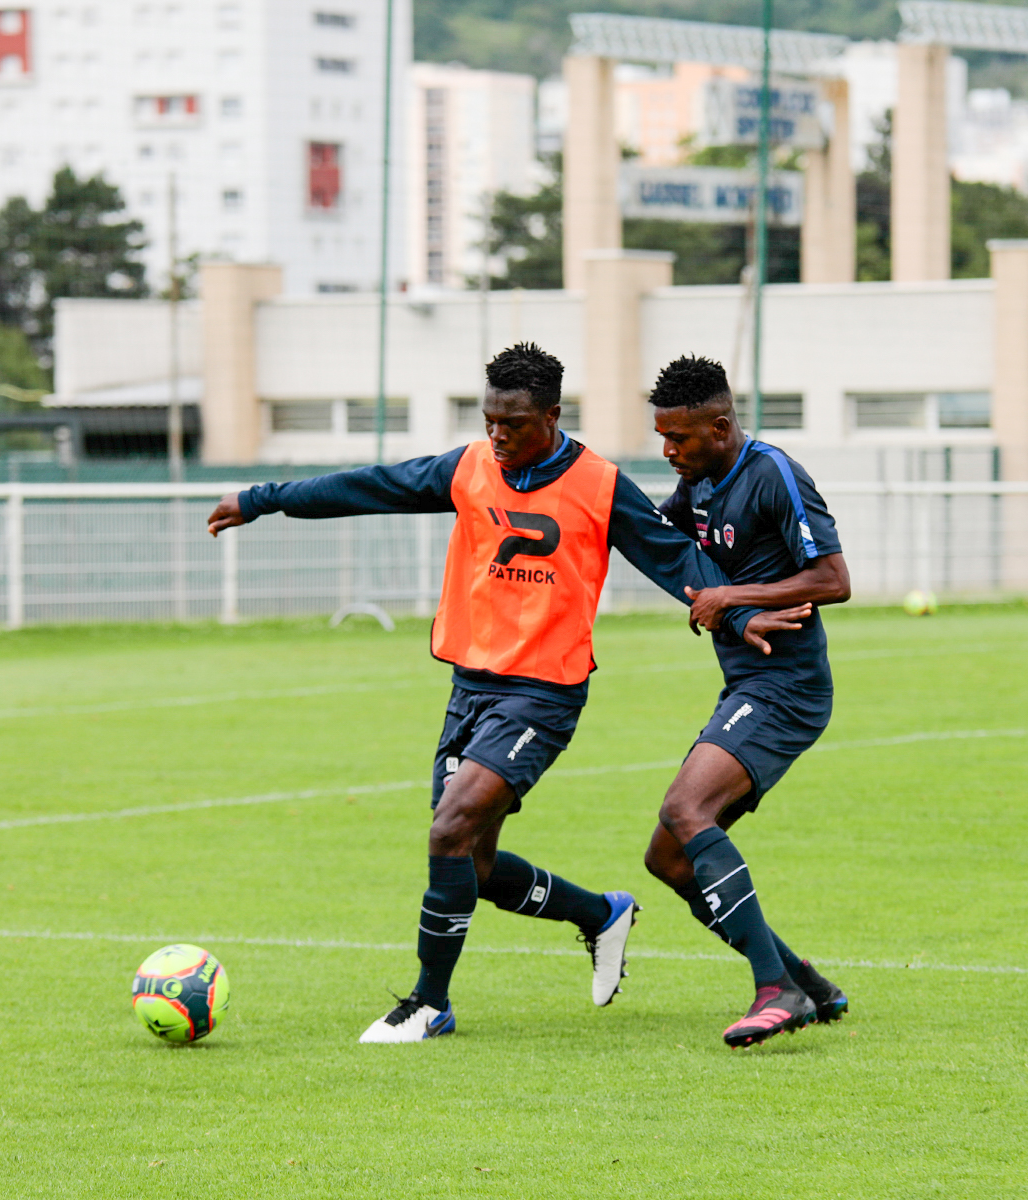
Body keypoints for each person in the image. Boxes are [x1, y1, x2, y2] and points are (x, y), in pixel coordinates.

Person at [206, 342, 809, 1044]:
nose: (498, 435)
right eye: (490, 419)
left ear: (551, 417)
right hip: (469, 688)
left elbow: (677, 560)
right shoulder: (469, 467)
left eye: (514, 423)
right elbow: (371, 486)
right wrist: (260, 499)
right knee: (472, 862)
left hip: (542, 696)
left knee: (448, 829)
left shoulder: (599, 485)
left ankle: (429, 1004)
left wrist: (739, 608)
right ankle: (599, 914)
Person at [641, 355, 854, 1048]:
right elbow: (663, 543)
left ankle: (776, 990)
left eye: (680, 438)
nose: (668, 451)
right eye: (662, 437)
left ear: (721, 426)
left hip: (787, 688)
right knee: (668, 860)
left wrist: (734, 595)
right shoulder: (695, 484)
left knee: (685, 810)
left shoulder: (773, 474)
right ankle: (808, 984)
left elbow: (833, 578)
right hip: (746, 685)